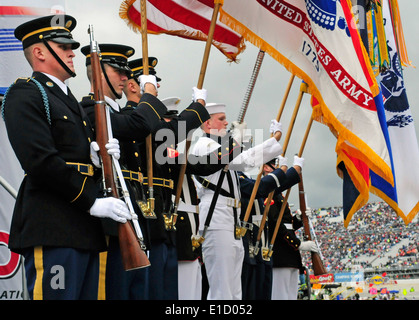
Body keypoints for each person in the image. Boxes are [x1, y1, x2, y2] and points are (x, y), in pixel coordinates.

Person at [2, 15, 131, 300]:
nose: (73, 52)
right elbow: (40, 161)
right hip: (54, 225)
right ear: (39, 52)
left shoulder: (67, 98)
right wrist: (92, 200)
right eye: (63, 47)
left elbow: (71, 154)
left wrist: (98, 161)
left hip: (84, 227)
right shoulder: (26, 92)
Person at [80, 44, 160, 300]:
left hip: (133, 216)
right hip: (107, 224)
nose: (125, 77)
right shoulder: (90, 110)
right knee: (113, 291)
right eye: (118, 71)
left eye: (127, 72)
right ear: (97, 70)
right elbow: (141, 124)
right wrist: (148, 92)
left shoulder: (115, 113)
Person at [191, 104, 284, 300]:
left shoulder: (224, 148)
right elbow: (234, 158)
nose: (226, 122)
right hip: (215, 218)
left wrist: (273, 141)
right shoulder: (204, 145)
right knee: (221, 288)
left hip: (231, 220)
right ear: (207, 124)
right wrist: (241, 140)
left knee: (234, 291)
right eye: (221, 119)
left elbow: (245, 159)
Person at [238, 155, 303, 299]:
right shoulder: (247, 181)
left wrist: (299, 219)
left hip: (274, 252)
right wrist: (293, 171)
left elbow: (287, 222)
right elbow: (275, 224)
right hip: (264, 248)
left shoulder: (275, 193)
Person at [266, 156, 319, 300]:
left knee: (291, 296)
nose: (279, 169)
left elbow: (288, 225)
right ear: (266, 168)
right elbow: (276, 226)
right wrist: (299, 244)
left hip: (290, 255)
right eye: (275, 166)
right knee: (280, 296)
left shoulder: (278, 194)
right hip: (280, 255)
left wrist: (299, 219)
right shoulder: (268, 193)